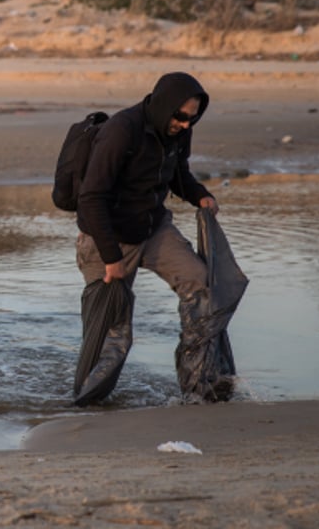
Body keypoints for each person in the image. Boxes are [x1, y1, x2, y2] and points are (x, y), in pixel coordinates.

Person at [75, 71, 232, 402]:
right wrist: (111, 258)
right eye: (181, 117)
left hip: (153, 227)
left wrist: (200, 195)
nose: (186, 125)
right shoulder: (121, 131)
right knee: (113, 333)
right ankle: (87, 405)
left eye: (193, 118)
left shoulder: (177, 132)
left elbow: (179, 175)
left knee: (201, 284)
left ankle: (199, 388)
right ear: (163, 106)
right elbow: (90, 197)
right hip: (108, 237)